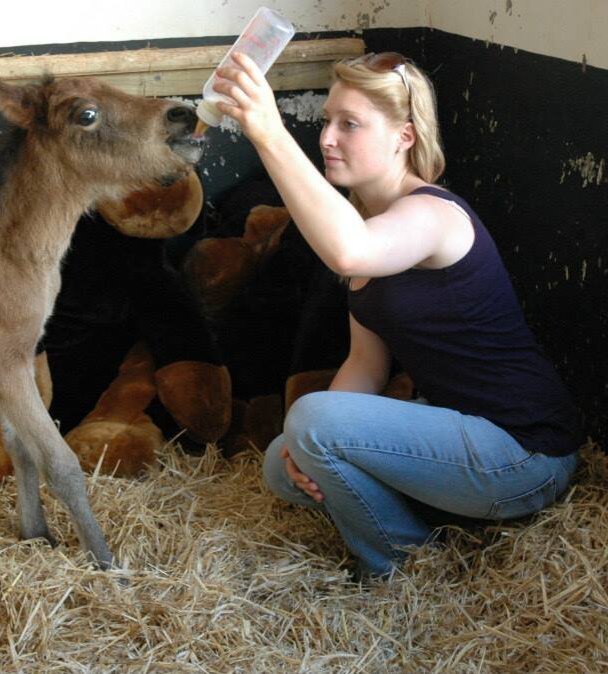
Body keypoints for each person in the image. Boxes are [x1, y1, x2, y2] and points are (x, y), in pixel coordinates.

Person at [211, 51, 581, 579]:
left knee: (311, 419)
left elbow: (350, 251)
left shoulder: (432, 214)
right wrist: (303, 447)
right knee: (280, 462)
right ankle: (421, 531)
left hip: (524, 454)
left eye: (350, 124)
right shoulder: (369, 223)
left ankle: (400, 565)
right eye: (327, 121)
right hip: (463, 443)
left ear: (404, 136)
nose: (327, 138)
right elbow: (366, 364)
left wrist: (268, 131)